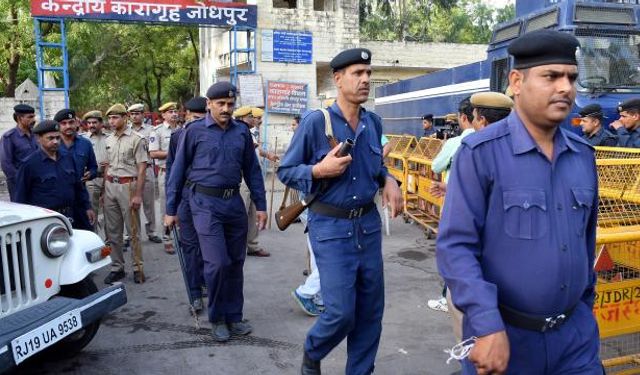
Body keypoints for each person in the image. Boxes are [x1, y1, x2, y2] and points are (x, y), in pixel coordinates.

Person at [437, 30, 601, 374]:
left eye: (571, 77)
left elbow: (586, 242)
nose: (565, 87)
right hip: (504, 339)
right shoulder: (480, 153)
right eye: (551, 76)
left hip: (575, 341)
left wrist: (584, 310)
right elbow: (456, 247)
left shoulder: (583, 156)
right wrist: (486, 323)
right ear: (516, 81)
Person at [278, 48, 403, 375]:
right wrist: (318, 171)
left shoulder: (373, 122)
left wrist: (389, 180)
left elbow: (376, 166)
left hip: (368, 226)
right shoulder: (315, 122)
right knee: (341, 313)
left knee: (370, 313)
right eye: (357, 73)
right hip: (331, 228)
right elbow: (286, 170)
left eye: (368, 73)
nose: (365, 80)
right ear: (337, 79)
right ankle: (312, 352)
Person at [165, 82, 267, 342]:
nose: (225, 109)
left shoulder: (241, 133)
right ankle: (218, 318)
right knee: (217, 263)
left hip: (233, 203)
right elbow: (177, 172)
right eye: (220, 104)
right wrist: (171, 208)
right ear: (208, 104)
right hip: (204, 204)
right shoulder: (193, 132)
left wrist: (262, 205)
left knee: (235, 262)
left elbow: (252, 171)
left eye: (230, 104)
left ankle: (234, 316)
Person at [166, 96, 208, 314]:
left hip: (210, 200)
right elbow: (172, 174)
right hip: (186, 199)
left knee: (210, 248)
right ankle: (194, 293)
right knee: (190, 247)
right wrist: (170, 209)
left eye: (202, 118)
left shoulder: (216, 134)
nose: (198, 123)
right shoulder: (177, 137)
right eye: (194, 118)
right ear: (187, 117)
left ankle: (206, 283)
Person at [15, 119, 95, 228]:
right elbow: (20, 198)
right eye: (50, 138)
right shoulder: (29, 164)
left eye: (58, 138)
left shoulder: (68, 158)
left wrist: (87, 207)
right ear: (38, 139)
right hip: (44, 220)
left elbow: (78, 186)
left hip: (70, 216)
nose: (56, 141)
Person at [103, 104, 149, 285]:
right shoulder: (109, 139)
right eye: (110, 118)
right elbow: (107, 164)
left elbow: (142, 168)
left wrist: (138, 195)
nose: (111, 121)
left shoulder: (136, 139)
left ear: (125, 118)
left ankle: (138, 267)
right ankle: (117, 268)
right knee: (113, 232)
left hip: (128, 186)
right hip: (110, 186)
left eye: (115, 118)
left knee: (133, 231)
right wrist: (104, 189)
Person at [233, 106, 275, 258]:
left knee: (253, 212)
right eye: (253, 117)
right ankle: (238, 246)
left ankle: (252, 245)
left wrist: (268, 155)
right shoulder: (237, 133)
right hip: (243, 178)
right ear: (243, 118)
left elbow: (256, 151)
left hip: (254, 177)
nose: (257, 120)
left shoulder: (251, 133)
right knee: (241, 213)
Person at [54, 108, 98, 231]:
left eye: (71, 122)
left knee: (86, 232)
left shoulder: (85, 144)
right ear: (58, 125)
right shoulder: (52, 145)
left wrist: (91, 174)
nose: (68, 126)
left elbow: (93, 167)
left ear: (76, 123)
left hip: (81, 197)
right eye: (64, 123)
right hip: (59, 199)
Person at [128, 103, 162, 244]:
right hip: (130, 171)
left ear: (143, 114)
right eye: (132, 114)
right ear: (129, 116)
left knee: (149, 203)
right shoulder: (126, 131)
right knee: (130, 204)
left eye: (138, 113)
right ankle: (132, 234)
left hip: (146, 169)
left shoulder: (151, 130)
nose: (135, 116)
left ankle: (151, 231)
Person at [150, 101, 179, 253]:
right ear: (163, 115)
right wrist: (175, 154)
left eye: (175, 111)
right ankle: (167, 239)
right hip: (165, 172)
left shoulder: (183, 129)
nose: (174, 114)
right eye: (170, 112)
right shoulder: (157, 131)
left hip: (181, 173)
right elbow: (153, 153)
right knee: (166, 206)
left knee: (181, 205)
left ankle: (180, 237)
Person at [1, 104, 38, 201]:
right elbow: (6, 164)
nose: (34, 120)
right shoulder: (9, 137)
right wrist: (21, 180)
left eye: (33, 116)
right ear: (19, 118)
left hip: (37, 182)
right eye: (30, 117)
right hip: (18, 184)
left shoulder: (36, 135)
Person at [83, 110, 109, 236]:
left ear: (101, 123)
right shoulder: (83, 139)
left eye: (94, 122)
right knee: (92, 212)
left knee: (110, 212)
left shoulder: (110, 138)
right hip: (91, 181)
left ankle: (111, 241)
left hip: (108, 180)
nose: (91, 125)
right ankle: (94, 239)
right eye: (89, 123)